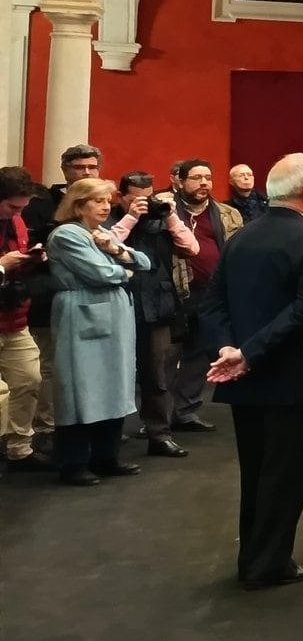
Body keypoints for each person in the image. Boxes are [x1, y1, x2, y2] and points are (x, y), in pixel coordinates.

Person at [202, 154, 303, 589]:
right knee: (286, 478)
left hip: (247, 379)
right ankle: (268, 565)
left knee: (257, 472)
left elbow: (212, 303)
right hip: (294, 379)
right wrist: (248, 352)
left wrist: (231, 348)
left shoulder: (241, 237)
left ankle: (254, 559)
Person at [46, 178, 150, 485]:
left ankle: (106, 456)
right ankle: (73, 462)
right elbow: (100, 273)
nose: (105, 207)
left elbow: (143, 262)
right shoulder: (67, 235)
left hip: (112, 314)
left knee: (113, 383)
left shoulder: (101, 233)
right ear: (78, 205)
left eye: (107, 201)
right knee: (81, 387)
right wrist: (124, 268)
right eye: (97, 201)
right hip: (81, 311)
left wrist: (117, 251)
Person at [111, 172, 198, 458]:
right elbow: (106, 246)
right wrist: (131, 217)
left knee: (157, 374)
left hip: (158, 304)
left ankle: (159, 434)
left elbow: (191, 248)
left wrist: (171, 216)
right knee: (112, 372)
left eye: (148, 197)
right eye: (136, 198)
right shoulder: (108, 216)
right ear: (122, 197)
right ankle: (107, 438)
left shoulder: (160, 219)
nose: (144, 204)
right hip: (117, 303)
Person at [168, 157, 243, 433]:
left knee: (199, 355)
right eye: (197, 178)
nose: (204, 183)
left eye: (208, 178)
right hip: (176, 292)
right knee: (167, 357)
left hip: (211, 292)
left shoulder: (227, 213)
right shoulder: (166, 211)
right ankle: (160, 418)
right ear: (180, 181)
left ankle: (185, 411)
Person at [0, 166, 51, 475]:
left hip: (14, 318)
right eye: (13, 206)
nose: (19, 212)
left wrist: (31, 259)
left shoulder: (16, 222)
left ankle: (20, 448)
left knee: (29, 380)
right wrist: (3, 265)